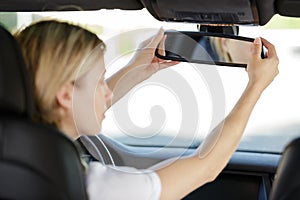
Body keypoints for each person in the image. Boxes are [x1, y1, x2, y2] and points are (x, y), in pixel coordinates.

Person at [15, 19, 279, 200]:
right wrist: (256, 86)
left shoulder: (20, 158)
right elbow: (206, 166)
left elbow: (81, 107)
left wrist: (137, 68)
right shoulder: (93, 187)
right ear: (64, 96)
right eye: (99, 83)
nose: (107, 92)